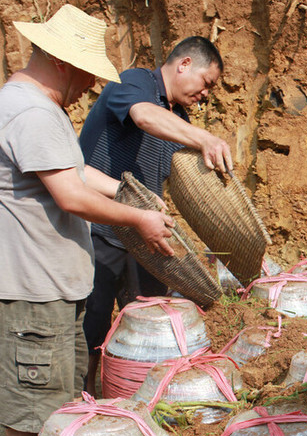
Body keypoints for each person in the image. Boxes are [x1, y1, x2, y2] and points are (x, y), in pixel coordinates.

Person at [0, 4, 175, 436]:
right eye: (85, 75)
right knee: (35, 413)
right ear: (61, 63)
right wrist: (138, 220)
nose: (90, 88)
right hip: (28, 285)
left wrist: (130, 196)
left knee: (54, 397)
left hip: (44, 283)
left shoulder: (38, 106)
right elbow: (70, 195)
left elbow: (76, 172)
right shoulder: (30, 112)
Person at [79, 36, 233, 395]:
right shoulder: (135, 82)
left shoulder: (177, 117)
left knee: (152, 333)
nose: (207, 94)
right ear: (183, 65)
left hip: (145, 240)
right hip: (100, 232)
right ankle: (85, 401)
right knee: (91, 329)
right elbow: (144, 117)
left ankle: (140, 405)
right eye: (206, 83)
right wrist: (205, 138)